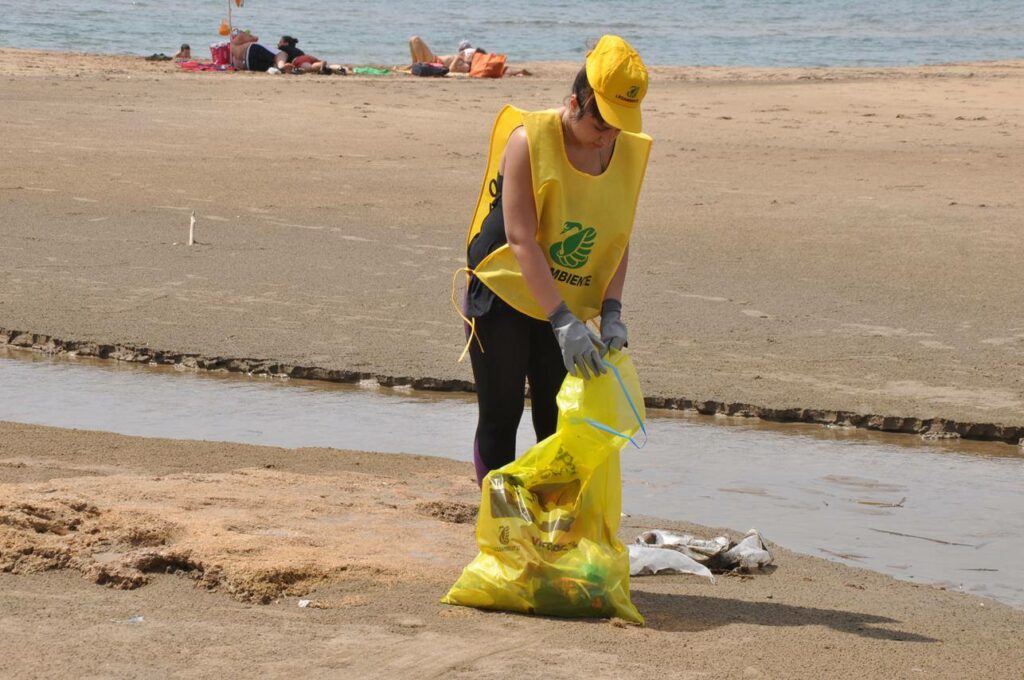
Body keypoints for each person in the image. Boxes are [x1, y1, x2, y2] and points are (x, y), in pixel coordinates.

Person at [460, 35, 651, 484]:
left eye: (618, 127)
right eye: (601, 126)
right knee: (501, 413)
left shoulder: (625, 149)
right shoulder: (530, 140)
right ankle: (501, 524)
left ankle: (555, 523)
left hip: (562, 292)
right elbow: (521, 238)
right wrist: (563, 322)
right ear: (574, 103)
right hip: (504, 286)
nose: (608, 137)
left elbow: (617, 236)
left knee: (557, 417)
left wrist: (612, 311)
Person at [276, 35, 342, 75]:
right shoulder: (298, 50)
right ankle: (322, 64)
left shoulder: (282, 48)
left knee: (309, 68)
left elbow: (277, 55)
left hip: (298, 60)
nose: (277, 44)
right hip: (309, 57)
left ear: (286, 43)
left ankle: (321, 65)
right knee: (314, 66)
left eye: (280, 42)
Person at [408, 36, 480, 73]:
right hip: (434, 58)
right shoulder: (461, 58)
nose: (463, 52)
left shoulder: (466, 65)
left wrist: (458, 58)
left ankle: (419, 64)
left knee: (415, 39)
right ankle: (415, 64)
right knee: (411, 41)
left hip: (433, 61)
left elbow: (451, 70)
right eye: (462, 49)